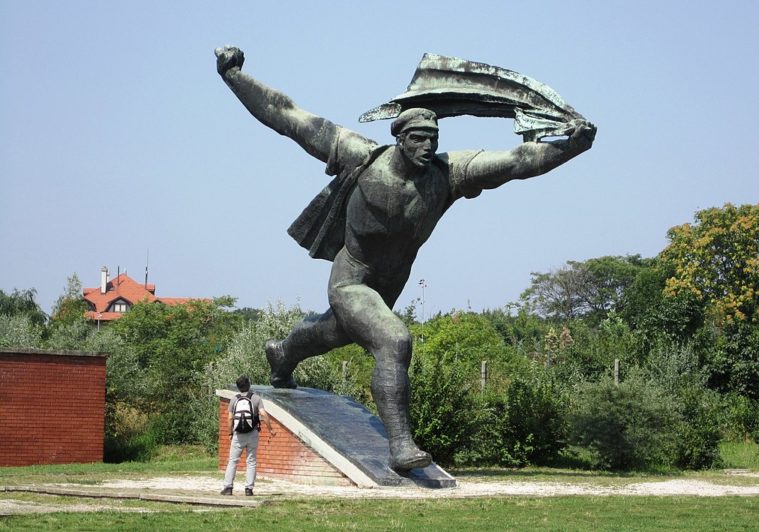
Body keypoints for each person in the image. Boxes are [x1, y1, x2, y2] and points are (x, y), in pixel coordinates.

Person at [215, 46, 596, 471]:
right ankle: (400, 447)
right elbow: (287, 116)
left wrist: (571, 147)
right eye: (419, 139)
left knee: (333, 333)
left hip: (387, 287)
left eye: (434, 139)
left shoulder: (447, 175)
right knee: (393, 339)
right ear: (399, 138)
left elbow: (517, 160)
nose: (428, 147)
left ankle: (284, 352)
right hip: (352, 280)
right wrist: (234, 77)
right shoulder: (360, 156)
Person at [221, 374, 276, 496]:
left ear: (238, 387)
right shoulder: (256, 398)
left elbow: (230, 418)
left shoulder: (234, 399)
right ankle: (249, 489)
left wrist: (230, 432)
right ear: (249, 385)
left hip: (238, 435)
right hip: (252, 434)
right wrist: (270, 429)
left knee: (233, 461)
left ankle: (228, 488)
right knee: (251, 461)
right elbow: (264, 414)